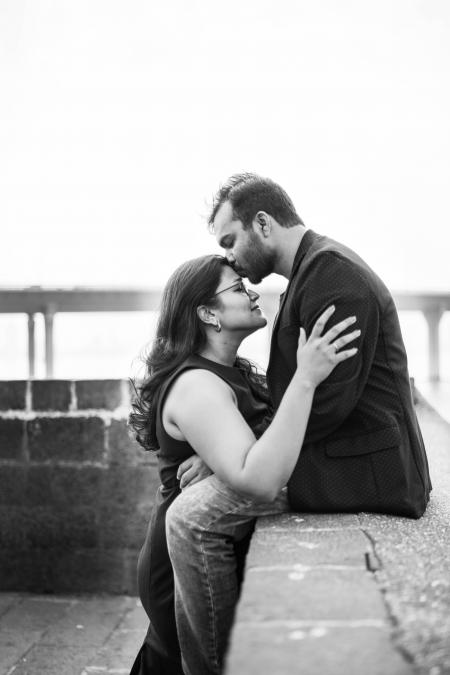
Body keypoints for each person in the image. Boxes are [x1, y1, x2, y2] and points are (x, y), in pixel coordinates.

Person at [165, 173, 432, 675]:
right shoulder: (312, 273)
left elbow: (328, 402)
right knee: (193, 505)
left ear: (262, 223)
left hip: (363, 468)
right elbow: (299, 398)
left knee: (190, 521)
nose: (231, 260)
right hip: (342, 452)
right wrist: (229, 456)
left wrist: (241, 459)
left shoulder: (334, 278)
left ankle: (217, 666)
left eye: (231, 241)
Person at [128, 253, 359, 675]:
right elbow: (260, 478)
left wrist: (219, 460)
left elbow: (268, 435)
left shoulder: (231, 370)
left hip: (214, 547)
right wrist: (307, 378)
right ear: (207, 314)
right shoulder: (196, 385)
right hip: (184, 565)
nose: (252, 293)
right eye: (237, 288)